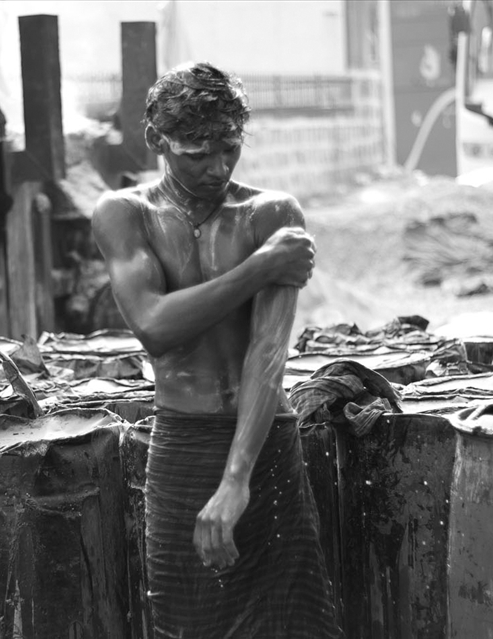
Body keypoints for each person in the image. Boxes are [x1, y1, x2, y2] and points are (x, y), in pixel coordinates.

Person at [92, 61, 342, 638]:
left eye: (230, 149)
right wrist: (260, 268)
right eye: (196, 154)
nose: (218, 168)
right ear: (156, 139)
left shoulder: (272, 214)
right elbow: (154, 325)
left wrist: (237, 480)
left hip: (266, 442)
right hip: (183, 441)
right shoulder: (124, 214)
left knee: (295, 623)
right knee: (186, 623)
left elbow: (268, 354)